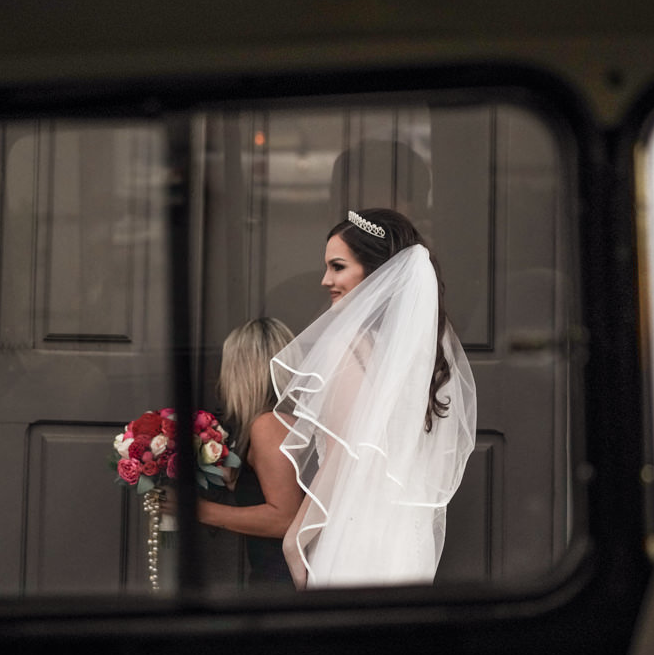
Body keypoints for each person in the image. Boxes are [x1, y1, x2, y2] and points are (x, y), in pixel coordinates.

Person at [272, 207, 477, 589]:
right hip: (404, 536)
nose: (325, 280)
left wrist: (295, 536)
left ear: (376, 272)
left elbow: (339, 456)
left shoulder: (349, 346)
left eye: (337, 267)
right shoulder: (422, 352)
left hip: (356, 532)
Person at [164, 318, 303, 588]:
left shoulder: (269, 425)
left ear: (241, 371)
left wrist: (196, 509)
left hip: (281, 580)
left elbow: (286, 518)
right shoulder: (280, 421)